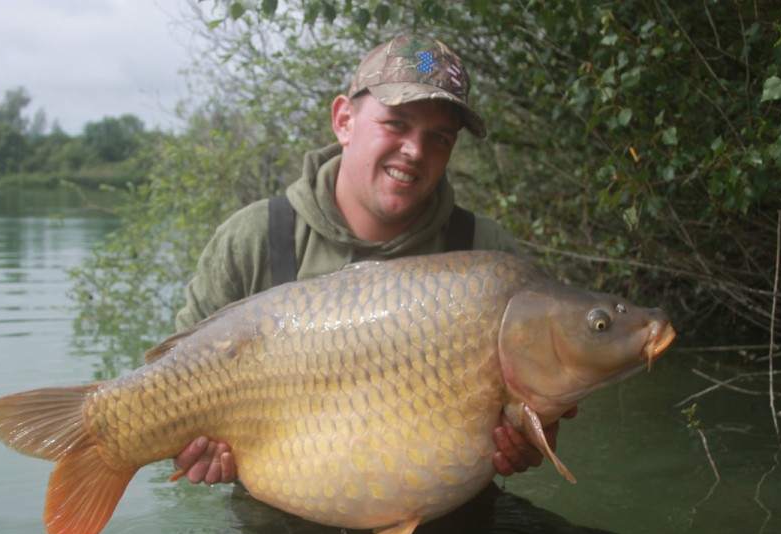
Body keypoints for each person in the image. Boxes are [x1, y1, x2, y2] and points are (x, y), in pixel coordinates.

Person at [170, 33, 575, 487]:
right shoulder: (254, 239)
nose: (415, 151)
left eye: (438, 138)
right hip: (282, 515)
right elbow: (171, 392)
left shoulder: (487, 254)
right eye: (396, 124)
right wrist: (189, 450)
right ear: (344, 120)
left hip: (446, 504)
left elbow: (534, 415)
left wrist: (530, 442)